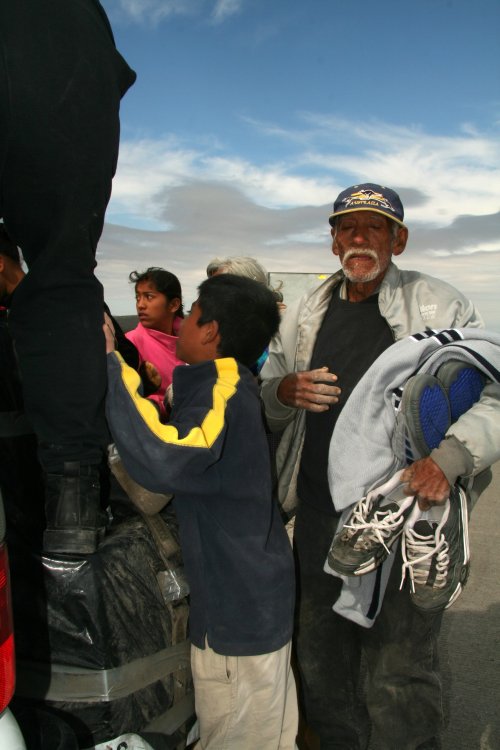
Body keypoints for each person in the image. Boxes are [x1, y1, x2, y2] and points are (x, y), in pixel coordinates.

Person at [259, 183, 500, 749]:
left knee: (400, 667)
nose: (359, 238)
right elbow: (267, 390)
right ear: (333, 241)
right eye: (347, 227)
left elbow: (492, 390)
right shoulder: (305, 313)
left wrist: (449, 458)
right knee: (322, 657)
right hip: (321, 515)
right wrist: (282, 392)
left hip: (405, 516)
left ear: (399, 239)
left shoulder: (441, 305)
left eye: (374, 227)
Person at [104, 274, 298, 750]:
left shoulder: (223, 390)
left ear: (210, 330)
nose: (183, 324)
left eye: (191, 313)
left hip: (239, 617)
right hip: (247, 604)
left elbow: (166, 456)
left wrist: (111, 365)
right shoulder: (218, 386)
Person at [0, 0, 136, 556]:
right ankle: (74, 507)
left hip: (63, 44)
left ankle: (73, 502)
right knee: (63, 267)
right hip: (65, 48)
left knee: (61, 273)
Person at [126, 267, 186, 418]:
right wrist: (163, 405)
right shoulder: (129, 344)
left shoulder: (195, 340)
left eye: (149, 297)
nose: (140, 305)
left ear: (173, 305)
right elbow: (127, 402)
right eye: (138, 298)